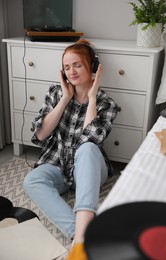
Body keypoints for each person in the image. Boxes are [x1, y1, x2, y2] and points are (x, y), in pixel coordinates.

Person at [23, 39, 117, 246]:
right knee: (32, 181)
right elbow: (40, 135)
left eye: (77, 65)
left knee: (88, 147)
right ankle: (78, 234)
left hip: (89, 167)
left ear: (91, 67)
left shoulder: (105, 103)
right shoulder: (56, 93)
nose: (71, 71)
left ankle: (84, 227)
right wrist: (65, 98)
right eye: (67, 67)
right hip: (57, 163)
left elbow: (90, 138)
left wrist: (92, 97)